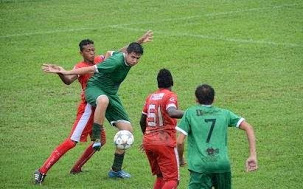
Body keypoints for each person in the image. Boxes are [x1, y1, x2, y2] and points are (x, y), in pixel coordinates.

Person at [35, 31, 153, 185]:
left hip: (101, 105)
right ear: (81, 53)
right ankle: (42, 171)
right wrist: (61, 71)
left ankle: (82, 168)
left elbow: (121, 53)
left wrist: (139, 41)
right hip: (88, 107)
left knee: (105, 139)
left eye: (93, 50)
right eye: (87, 50)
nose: (91, 53)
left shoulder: (101, 60)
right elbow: (68, 80)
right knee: (72, 141)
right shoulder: (80, 66)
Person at [176, 84, 258, 189]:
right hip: (222, 165)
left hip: (200, 167)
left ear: (196, 99)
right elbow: (249, 128)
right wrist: (253, 155)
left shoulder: (190, 113)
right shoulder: (225, 113)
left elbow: (179, 141)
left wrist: (180, 158)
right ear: (214, 99)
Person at [140, 68, 184, 189]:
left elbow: (142, 121)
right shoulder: (170, 96)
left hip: (148, 141)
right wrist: (190, 113)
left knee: (161, 175)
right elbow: (172, 112)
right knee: (173, 179)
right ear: (172, 82)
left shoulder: (151, 97)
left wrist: (146, 136)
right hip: (165, 142)